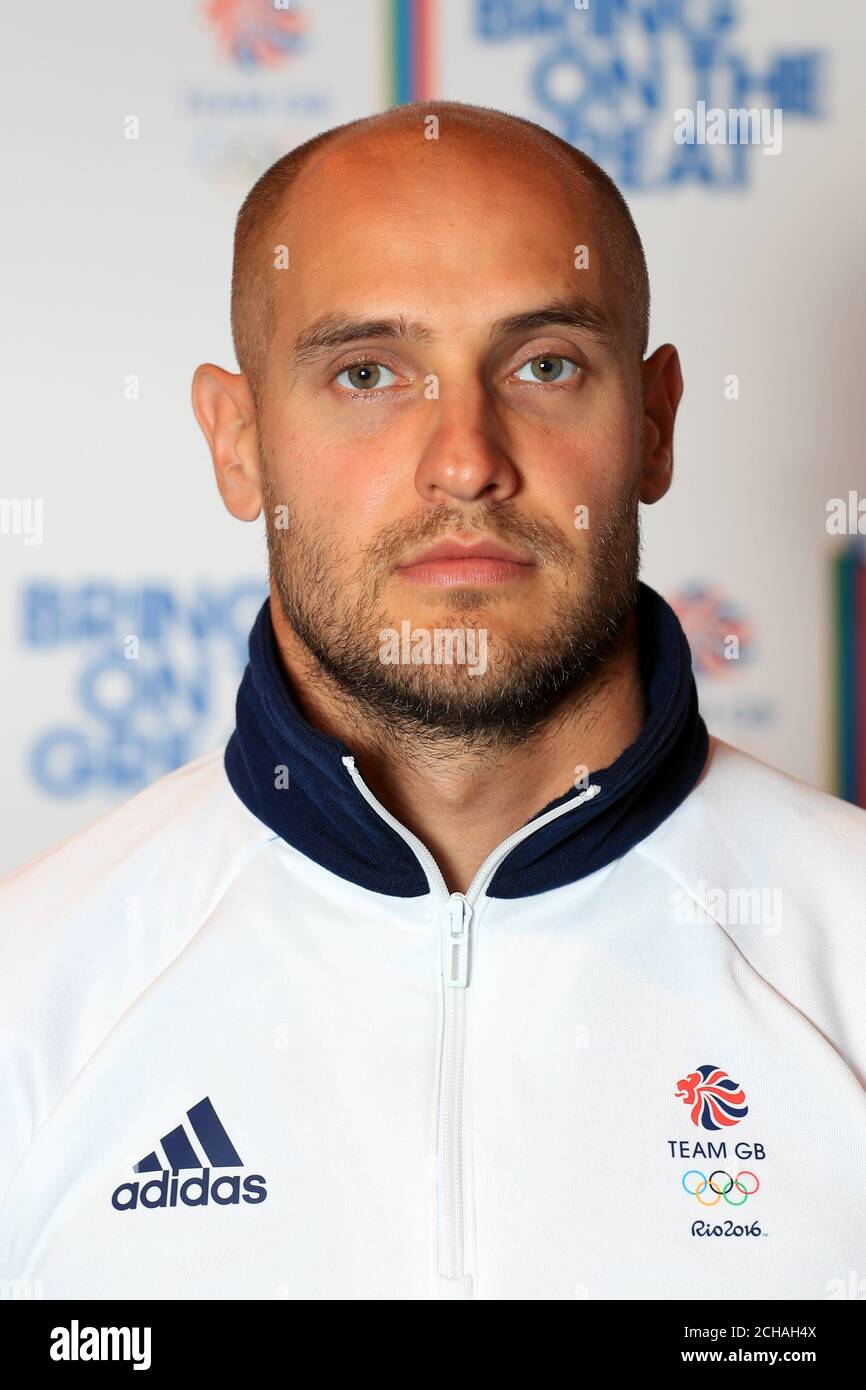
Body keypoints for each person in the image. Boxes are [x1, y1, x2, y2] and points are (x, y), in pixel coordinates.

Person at [1, 100, 864, 1302]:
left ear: (654, 423)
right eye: (367, 373)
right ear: (238, 442)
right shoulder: (32, 994)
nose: (463, 457)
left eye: (543, 364)